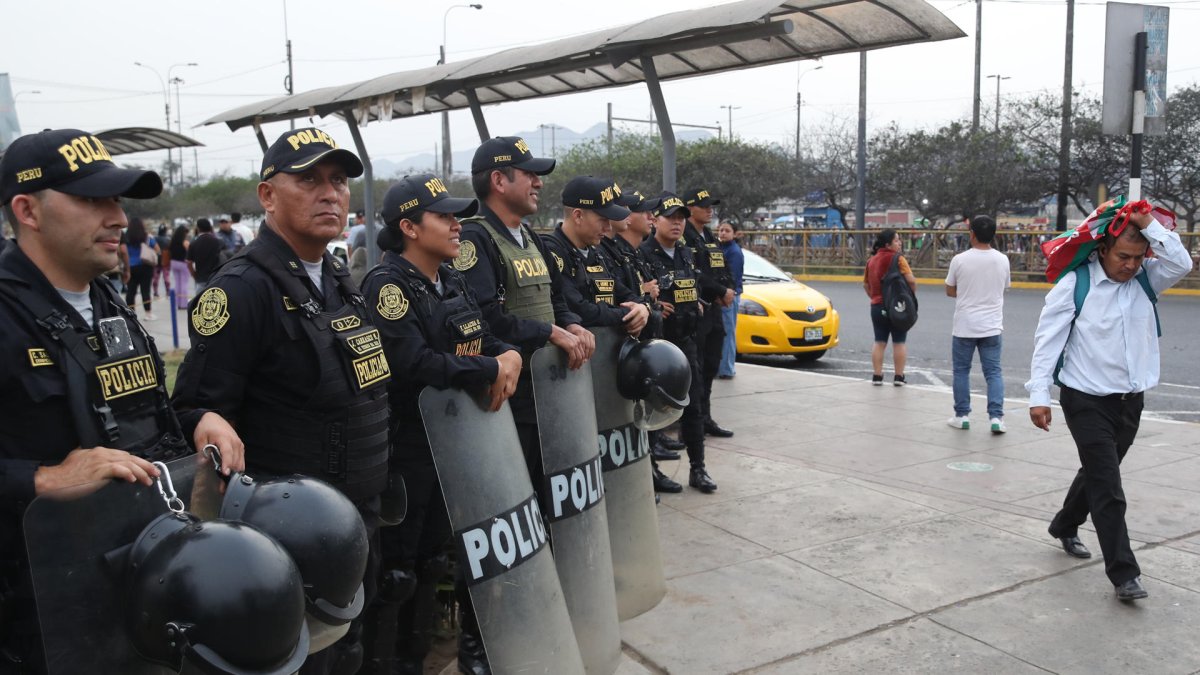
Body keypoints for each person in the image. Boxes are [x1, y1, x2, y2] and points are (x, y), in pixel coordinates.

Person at [0, 128, 244, 672]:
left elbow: (134, 417)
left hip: (137, 579)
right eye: (92, 200)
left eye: (116, 199)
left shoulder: (110, 301)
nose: (116, 217)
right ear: (28, 210)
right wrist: (40, 480)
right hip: (38, 613)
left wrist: (198, 419)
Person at [172, 127, 389, 672]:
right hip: (287, 542)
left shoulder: (336, 278)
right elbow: (195, 412)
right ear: (267, 195)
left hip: (354, 521)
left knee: (350, 653)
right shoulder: (240, 291)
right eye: (309, 179)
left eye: (338, 180)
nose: (330, 193)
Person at [359, 174, 521, 675]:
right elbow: (416, 363)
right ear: (409, 226)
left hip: (451, 443)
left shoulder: (448, 278)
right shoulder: (387, 286)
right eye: (445, 217)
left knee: (433, 561)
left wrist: (507, 353)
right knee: (399, 573)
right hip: (406, 450)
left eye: (456, 216)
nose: (457, 225)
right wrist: (492, 368)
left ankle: (420, 657)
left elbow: (479, 334)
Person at [1027, 204, 1192, 601]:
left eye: (1138, 257)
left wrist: (1147, 224)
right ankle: (1124, 573)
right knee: (1108, 486)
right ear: (1103, 249)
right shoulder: (1075, 285)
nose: (1131, 265)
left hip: (1128, 400)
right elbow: (1046, 342)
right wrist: (1038, 395)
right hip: (1084, 400)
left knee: (1099, 473)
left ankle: (1065, 525)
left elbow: (1182, 262)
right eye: (1123, 256)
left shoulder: (1147, 281)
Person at [604, 187, 684, 493]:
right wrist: (644, 296)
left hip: (648, 340)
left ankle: (650, 468)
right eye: (643, 211)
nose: (650, 217)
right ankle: (647, 473)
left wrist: (649, 300)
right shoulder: (613, 252)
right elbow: (620, 299)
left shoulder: (629, 253)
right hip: (627, 350)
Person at [641, 193, 718, 494]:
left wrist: (695, 300)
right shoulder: (644, 254)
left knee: (694, 406)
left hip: (688, 342)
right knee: (655, 408)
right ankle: (651, 470)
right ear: (655, 220)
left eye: (681, 218)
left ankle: (698, 468)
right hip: (659, 344)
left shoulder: (686, 253)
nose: (677, 223)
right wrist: (653, 304)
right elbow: (641, 293)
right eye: (670, 217)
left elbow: (691, 285)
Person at [541, 175, 648, 337]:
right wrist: (627, 313)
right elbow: (579, 309)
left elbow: (626, 294)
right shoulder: (552, 252)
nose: (607, 227)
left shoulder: (597, 252)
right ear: (578, 216)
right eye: (603, 219)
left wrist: (643, 308)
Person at [945, 215, 1011, 432]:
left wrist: (967, 294)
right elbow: (1003, 287)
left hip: (965, 325)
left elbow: (950, 290)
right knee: (993, 372)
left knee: (961, 371)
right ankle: (996, 418)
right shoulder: (1002, 260)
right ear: (993, 234)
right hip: (992, 325)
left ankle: (962, 415)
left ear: (971, 233)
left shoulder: (960, 260)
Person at [681, 188, 735, 438]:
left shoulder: (709, 235)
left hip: (714, 309)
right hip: (697, 309)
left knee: (711, 365)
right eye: (704, 205)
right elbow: (695, 273)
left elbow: (720, 264)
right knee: (697, 367)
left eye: (711, 205)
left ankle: (706, 417)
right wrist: (720, 289)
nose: (709, 209)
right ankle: (693, 422)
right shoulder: (686, 236)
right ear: (690, 208)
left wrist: (729, 288)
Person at [863, 228, 916, 385]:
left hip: (877, 307)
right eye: (896, 240)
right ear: (888, 244)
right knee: (899, 342)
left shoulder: (871, 261)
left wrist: (875, 297)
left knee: (879, 341)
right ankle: (899, 377)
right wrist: (910, 298)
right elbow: (911, 281)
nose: (899, 243)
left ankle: (877, 376)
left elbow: (865, 285)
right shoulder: (898, 259)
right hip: (897, 307)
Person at [716, 221, 744, 379]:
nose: (723, 233)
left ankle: (726, 369)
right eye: (721, 230)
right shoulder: (720, 248)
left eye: (727, 230)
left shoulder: (734, 252)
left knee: (727, 333)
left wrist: (725, 294)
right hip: (720, 296)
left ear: (734, 233)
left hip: (729, 297)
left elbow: (732, 278)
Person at [121, 217, 158, 320]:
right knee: (145, 290)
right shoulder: (147, 237)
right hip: (145, 266)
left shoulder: (126, 237)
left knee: (131, 291)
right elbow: (157, 249)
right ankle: (148, 313)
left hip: (130, 266)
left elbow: (122, 251)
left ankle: (131, 314)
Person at [186, 217, 222, 295]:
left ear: (198, 228)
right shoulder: (217, 241)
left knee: (200, 303)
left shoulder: (194, 243)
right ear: (210, 227)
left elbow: (189, 262)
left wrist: (194, 274)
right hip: (216, 277)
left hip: (200, 278)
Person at [167, 224, 191, 310]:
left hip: (173, 262)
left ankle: (177, 302)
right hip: (183, 263)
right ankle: (183, 304)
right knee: (184, 283)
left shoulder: (172, 241)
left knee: (177, 283)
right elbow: (189, 252)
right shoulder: (185, 242)